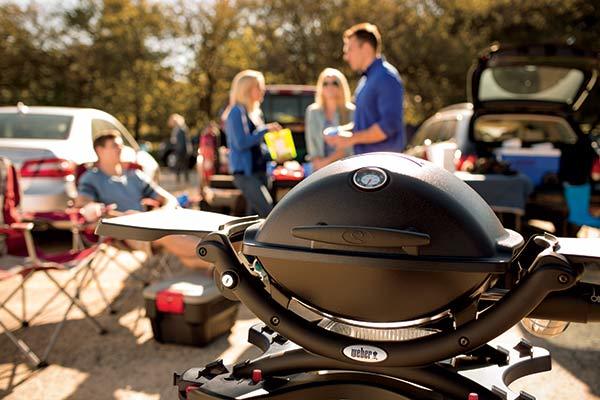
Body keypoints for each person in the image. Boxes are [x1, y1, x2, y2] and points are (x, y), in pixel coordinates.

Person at [75, 129, 212, 271]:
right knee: (166, 236)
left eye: (121, 145)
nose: (120, 148)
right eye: (115, 145)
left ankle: (222, 266)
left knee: (186, 239)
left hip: (150, 222)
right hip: (125, 232)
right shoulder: (91, 178)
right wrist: (121, 217)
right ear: (99, 150)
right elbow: (84, 205)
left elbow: (169, 199)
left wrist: (161, 212)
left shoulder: (135, 175)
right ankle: (223, 258)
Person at [325, 22, 405, 155]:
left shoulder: (386, 77)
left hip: (384, 164)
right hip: (367, 161)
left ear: (366, 48)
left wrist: (351, 139)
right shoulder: (365, 80)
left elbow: (389, 125)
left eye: (350, 49)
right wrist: (342, 133)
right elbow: (363, 125)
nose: (346, 56)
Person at [223, 69, 281, 218]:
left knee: (253, 218)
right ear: (247, 89)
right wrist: (265, 129)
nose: (263, 90)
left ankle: (245, 242)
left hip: (259, 171)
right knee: (268, 212)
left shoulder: (255, 113)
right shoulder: (236, 112)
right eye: (259, 87)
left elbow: (257, 147)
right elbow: (241, 143)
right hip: (245, 174)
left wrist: (276, 154)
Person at [304, 68, 355, 170]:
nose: (329, 86)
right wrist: (318, 163)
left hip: (345, 167)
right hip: (318, 168)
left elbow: (349, 147)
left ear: (341, 86)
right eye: (325, 83)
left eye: (334, 83)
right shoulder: (312, 111)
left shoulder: (352, 111)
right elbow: (311, 142)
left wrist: (328, 161)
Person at [168, 113, 191, 183]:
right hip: (179, 149)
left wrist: (178, 150)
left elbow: (182, 142)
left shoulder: (181, 129)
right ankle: (181, 179)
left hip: (181, 150)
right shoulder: (177, 129)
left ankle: (182, 179)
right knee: (181, 165)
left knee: (182, 165)